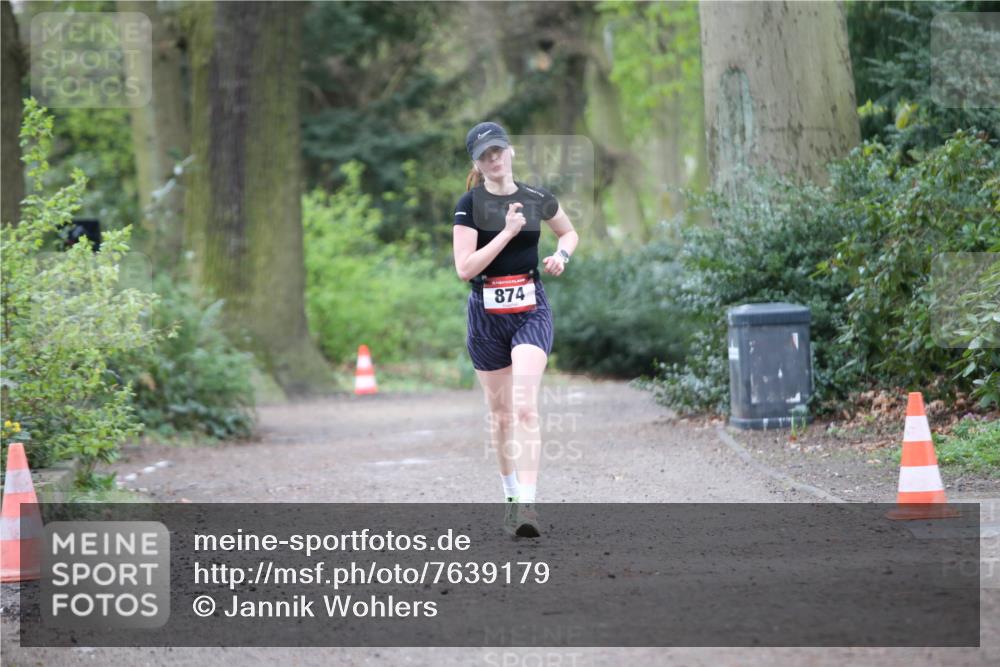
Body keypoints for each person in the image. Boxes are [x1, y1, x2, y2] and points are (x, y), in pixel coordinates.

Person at [452, 121, 579, 537]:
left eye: (498, 151)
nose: (494, 160)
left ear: (511, 152)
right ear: (477, 164)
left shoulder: (537, 198)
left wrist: (561, 255)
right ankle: (510, 498)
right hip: (486, 314)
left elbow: (569, 232)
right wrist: (506, 233)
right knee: (501, 415)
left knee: (525, 407)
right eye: (485, 156)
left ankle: (528, 506)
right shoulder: (469, 205)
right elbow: (464, 268)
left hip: (530, 310)